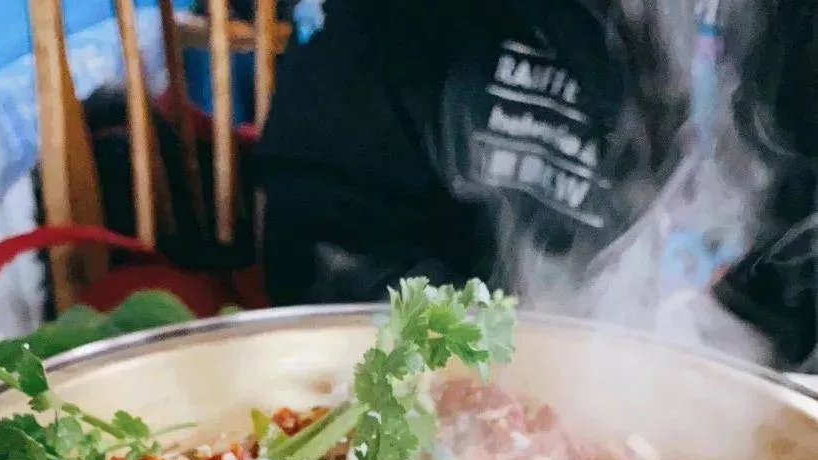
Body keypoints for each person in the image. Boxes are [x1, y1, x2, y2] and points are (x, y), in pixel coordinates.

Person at [256, 0, 687, 306]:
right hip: (437, 361)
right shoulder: (383, 21)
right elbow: (326, 246)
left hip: (665, 362)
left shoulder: (721, 31)